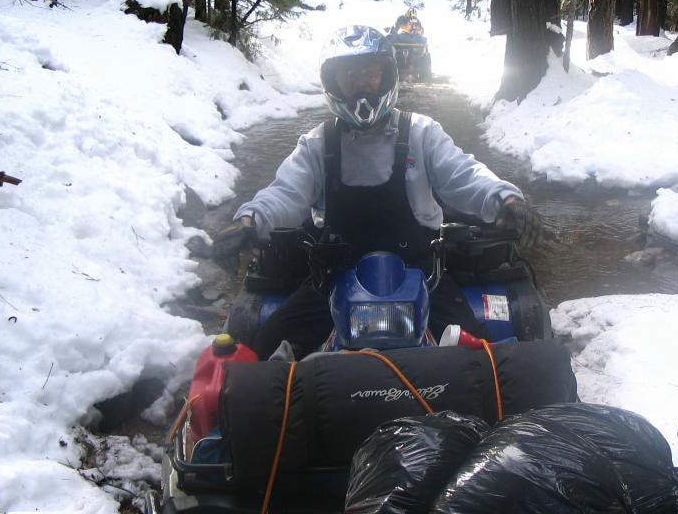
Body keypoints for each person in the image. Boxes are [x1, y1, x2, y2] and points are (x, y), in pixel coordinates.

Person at [212, 25, 540, 359]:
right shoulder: (316, 144)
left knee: (482, 358)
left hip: (422, 276)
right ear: (334, 83)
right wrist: (250, 220)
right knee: (261, 349)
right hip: (334, 277)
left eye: (370, 73)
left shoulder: (422, 133)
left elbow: (464, 175)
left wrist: (506, 199)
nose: (361, 84)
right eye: (350, 75)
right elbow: (285, 193)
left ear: (386, 76)